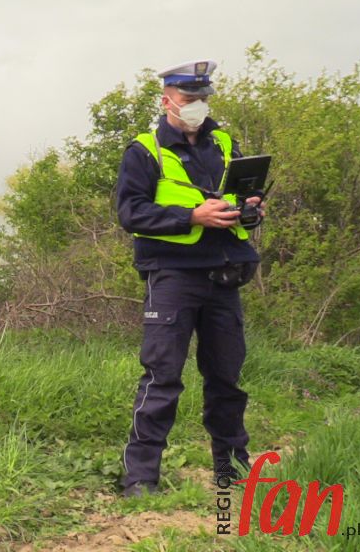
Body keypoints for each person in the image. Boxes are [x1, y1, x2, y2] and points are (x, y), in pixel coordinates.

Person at [115, 60, 266, 497]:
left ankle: (232, 471)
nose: (197, 104)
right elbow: (131, 213)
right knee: (162, 377)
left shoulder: (224, 143)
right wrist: (192, 217)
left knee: (226, 379)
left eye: (203, 97)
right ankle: (140, 479)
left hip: (225, 275)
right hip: (173, 277)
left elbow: (242, 197)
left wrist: (251, 208)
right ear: (167, 101)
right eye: (188, 97)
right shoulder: (144, 151)